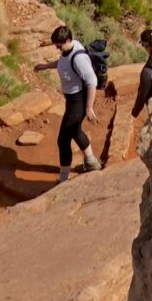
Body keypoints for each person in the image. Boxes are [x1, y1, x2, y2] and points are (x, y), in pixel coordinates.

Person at [40, 23, 101, 182]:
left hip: (78, 101)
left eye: (59, 46)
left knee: (63, 140)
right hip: (72, 100)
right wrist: (45, 66)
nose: (57, 49)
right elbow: (62, 63)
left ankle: (63, 179)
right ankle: (91, 162)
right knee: (75, 131)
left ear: (68, 40)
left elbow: (92, 81)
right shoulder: (68, 49)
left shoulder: (79, 57)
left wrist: (89, 107)